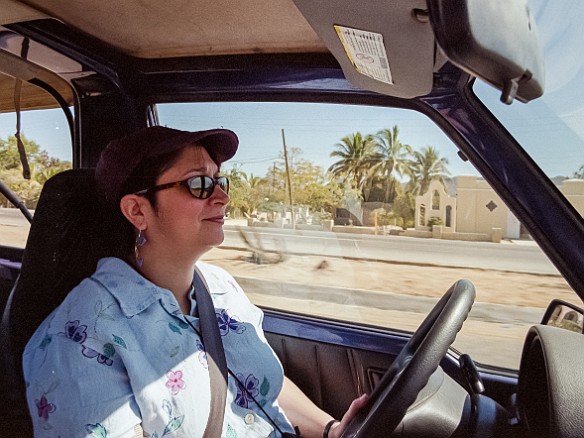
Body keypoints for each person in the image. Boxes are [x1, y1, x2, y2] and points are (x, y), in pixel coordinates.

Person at [22, 126, 368, 437]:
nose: (223, 197)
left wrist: (331, 430)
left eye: (221, 181)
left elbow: (259, 385)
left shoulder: (221, 287)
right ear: (137, 211)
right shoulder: (81, 333)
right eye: (199, 184)